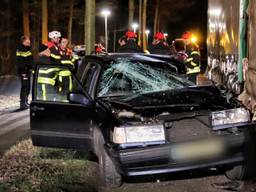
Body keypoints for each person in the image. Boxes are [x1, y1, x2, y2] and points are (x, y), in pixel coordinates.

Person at [16, 35, 33, 110]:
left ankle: (25, 101)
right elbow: (19, 61)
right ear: (23, 41)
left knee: (28, 86)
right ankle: (22, 103)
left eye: (29, 40)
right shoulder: (20, 48)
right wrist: (24, 69)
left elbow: (29, 60)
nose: (29, 41)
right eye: (27, 40)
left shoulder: (27, 48)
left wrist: (31, 68)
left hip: (27, 70)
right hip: (23, 71)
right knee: (25, 86)